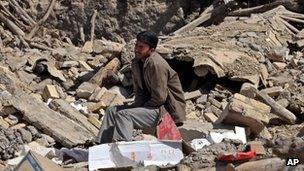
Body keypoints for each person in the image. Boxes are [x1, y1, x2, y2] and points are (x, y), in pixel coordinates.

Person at [95, 31, 186, 144]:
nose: (137, 49)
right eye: (136, 45)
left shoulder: (157, 65)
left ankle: (123, 148)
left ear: (151, 49)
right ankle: (102, 146)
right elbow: (138, 90)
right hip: (149, 107)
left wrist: (142, 107)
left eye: (141, 47)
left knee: (124, 115)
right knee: (112, 111)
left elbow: (160, 97)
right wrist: (137, 105)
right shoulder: (137, 63)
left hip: (163, 110)